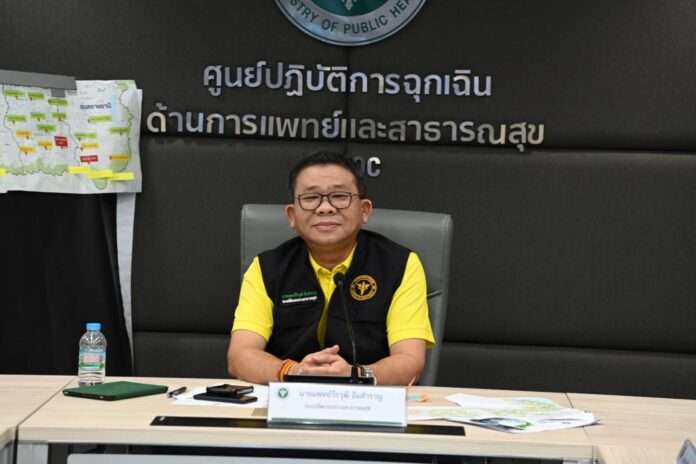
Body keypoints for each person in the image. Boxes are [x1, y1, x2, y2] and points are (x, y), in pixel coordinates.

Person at [227, 152, 434, 385]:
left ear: (364, 210)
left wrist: (355, 375)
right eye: (310, 198)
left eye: (339, 196)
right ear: (291, 215)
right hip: (288, 397)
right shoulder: (267, 268)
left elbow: (410, 360)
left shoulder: (400, 264)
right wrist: (294, 371)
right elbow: (240, 356)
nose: (325, 208)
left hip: (368, 399)